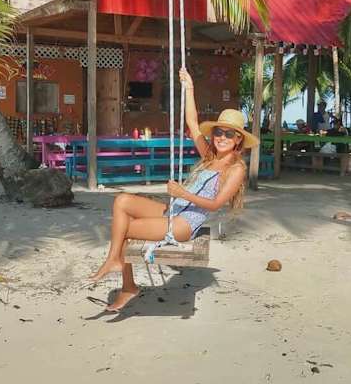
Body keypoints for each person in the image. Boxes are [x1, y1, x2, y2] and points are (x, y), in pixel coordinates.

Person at [88, 68, 259, 311]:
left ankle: (126, 282)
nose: (221, 137)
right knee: (122, 200)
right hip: (174, 210)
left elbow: (215, 205)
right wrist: (189, 87)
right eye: (218, 132)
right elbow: (192, 123)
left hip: (185, 223)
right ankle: (114, 260)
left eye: (228, 134)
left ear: (238, 139)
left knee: (126, 229)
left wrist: (183, 193)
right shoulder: (209, 156)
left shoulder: (236, 168)